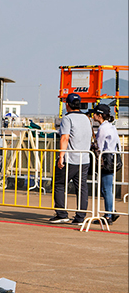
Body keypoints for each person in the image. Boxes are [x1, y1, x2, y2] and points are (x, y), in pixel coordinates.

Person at [50, 93, 92, 224]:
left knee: (59, 184)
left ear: (67, 105)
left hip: (70, 158)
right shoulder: (86, 118)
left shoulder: (68, 119)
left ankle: (62, 213)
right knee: (82, 187)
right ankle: (80, 217)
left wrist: (61, 156)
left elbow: (65, 137)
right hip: (84, 158)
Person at [92, 104, 120, 224]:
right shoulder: (111, 127)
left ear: (99, 115)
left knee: (106, 188)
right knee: (107, 188)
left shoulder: (103, 129)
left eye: (94, 113)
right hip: (113, 157)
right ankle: (110, 211)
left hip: (106, 159)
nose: (93, 115)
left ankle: (109, 215)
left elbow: (99, 145)